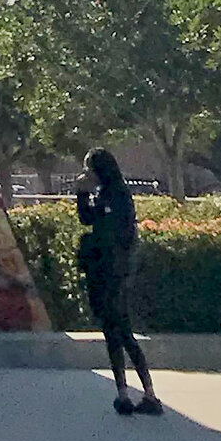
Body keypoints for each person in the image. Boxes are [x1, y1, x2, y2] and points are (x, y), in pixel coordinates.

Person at [77, 148, 163, 416]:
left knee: (121, 331)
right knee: (112, 332)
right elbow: (87, 219)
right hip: (105, 271)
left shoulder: (118, 196)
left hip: (113, 273)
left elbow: (112, 230)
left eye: (90, 169)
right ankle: (124, 393)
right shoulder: (105, 194)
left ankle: (147, 394)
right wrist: (81, 194)